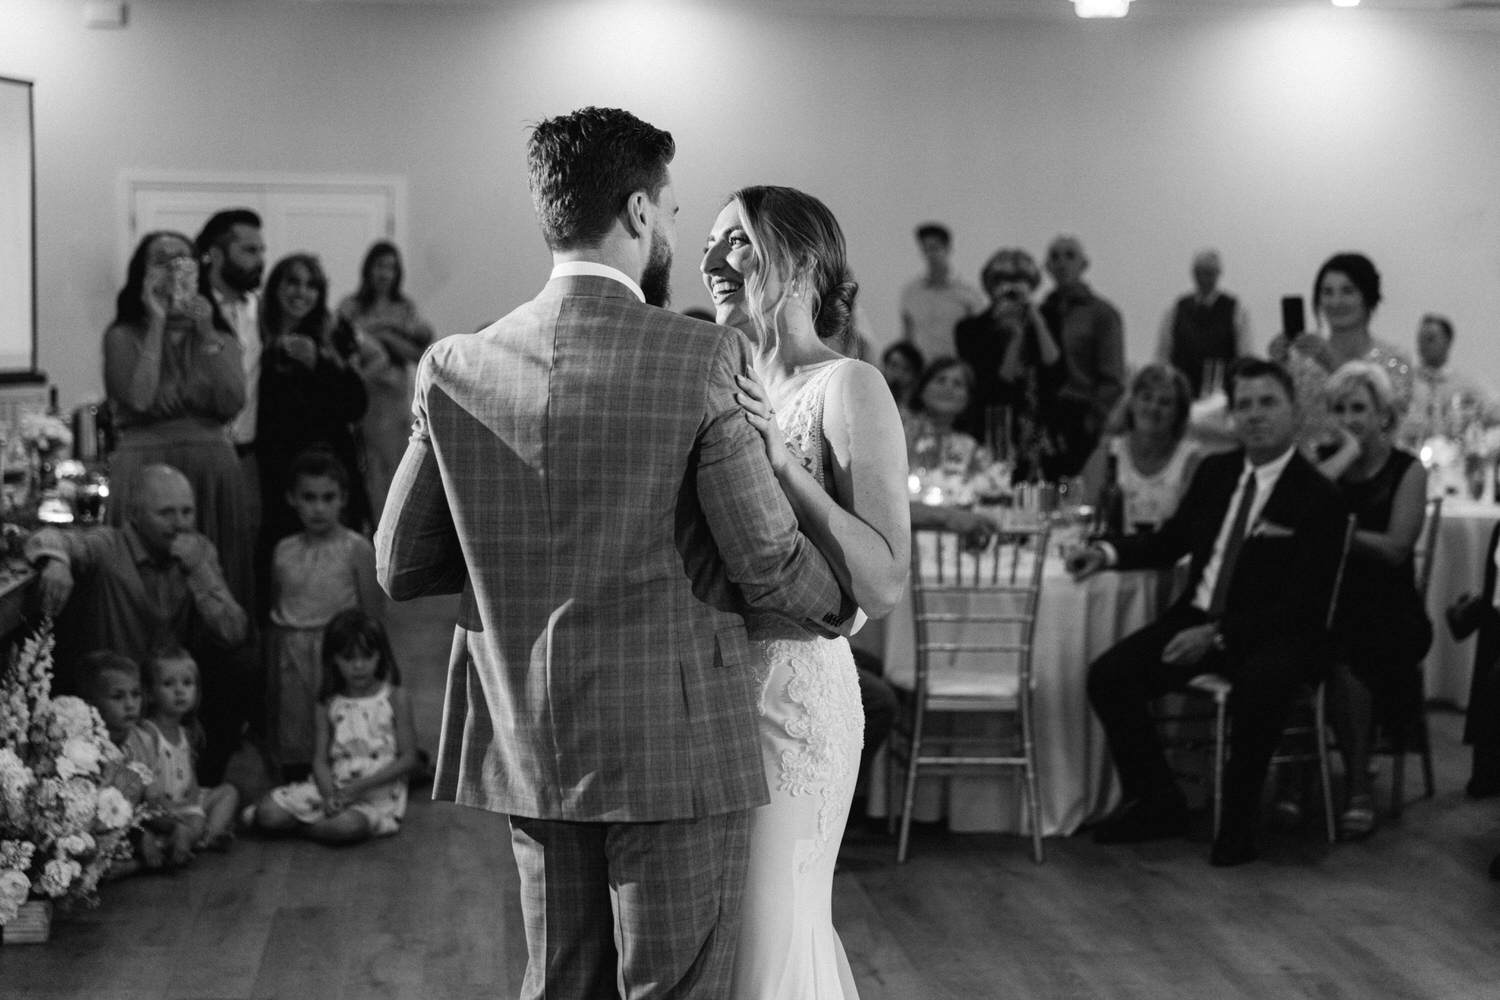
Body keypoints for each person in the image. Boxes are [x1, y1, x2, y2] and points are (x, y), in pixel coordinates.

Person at [376, 107, 854, 1000]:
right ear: (637, 212)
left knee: (561, 984)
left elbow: (399, 564)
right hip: (671, 742)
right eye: (672, 213)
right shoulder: (699, 357)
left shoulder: (454, 363)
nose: (674, 231)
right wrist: (849, 603)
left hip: (529, 734)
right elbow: (767, 565)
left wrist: (506, 554)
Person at [703, 184, 909, 999]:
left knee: (774, 931)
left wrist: (784, 465)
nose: (715, 261)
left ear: (802, 265)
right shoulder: (724, 380)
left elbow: (885, 578)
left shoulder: (848, 384)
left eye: (740, 242)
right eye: (712, 243)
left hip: (794, 704)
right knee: (730, 940)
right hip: (715, 699)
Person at [1069, 358, 1346, 866]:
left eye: (1268, 403)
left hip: (1273, 633)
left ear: (1292, 411)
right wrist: (1108, 553)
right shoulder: (1217, 473)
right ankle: (1158, 800)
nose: (1255, 415)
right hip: (1197, 616)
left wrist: (1219, 635)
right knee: (1110, 676)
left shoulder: (1319, 496)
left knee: (1263, 684)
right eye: (1244, 405)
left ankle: (1238, 824)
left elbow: (1303, 603)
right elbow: (1172, 541)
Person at [27, 464, 250, 785]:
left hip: (169, 690)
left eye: (187, 512)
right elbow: (47, 537)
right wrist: (58, 562)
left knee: (238, 667)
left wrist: (200, 572)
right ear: (135, 514)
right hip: (116, 692)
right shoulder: (109, 545)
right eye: (166, 513)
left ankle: (199, 786)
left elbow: (233, 633)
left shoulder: (197, 552)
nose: (180, 524)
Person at [103, 230, 253, 609]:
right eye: (161, 261)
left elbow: (232, 399)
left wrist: (204, 330)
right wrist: (155, 323)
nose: (173, 270)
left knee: (215, 588)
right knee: (139, 587)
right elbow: (139, 397)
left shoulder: (217, 335)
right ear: (143, 272)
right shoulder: (122, 336)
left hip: (211, 469)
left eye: (182, 260)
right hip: (143, 466)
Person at [1318, 362, 1432, 840]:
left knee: (1348, 650)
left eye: (1359, 408)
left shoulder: (1408, 470)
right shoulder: (1328, 462)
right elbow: (1298, 507)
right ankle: (1294, 775)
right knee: (1287, 631)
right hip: (1331, 598)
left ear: (1383, 414)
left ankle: (1358, 787)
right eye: (1340, 409)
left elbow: (1397, 548)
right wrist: (1342, 459)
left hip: (1391, 606)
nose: (1349, 418)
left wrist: (1340, 536)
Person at [246, 610, 415, 844]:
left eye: (367, 656)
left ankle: (302, 828)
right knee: (268, 812)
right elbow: (320, 761)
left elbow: (408, 759)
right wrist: (328, 795)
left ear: (381, 655)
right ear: (333, 659)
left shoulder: (395, 697)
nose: (358, 666)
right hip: (334, 787)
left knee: (349, 827)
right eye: (348, 658)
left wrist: (358, 788)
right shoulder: (328, 703)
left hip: (376, 793)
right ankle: (310, 822)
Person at [266, 449, 381, 777]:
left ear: (343, 499)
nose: (318, 507)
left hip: (336, 653)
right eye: (309, 497)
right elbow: (279, 606)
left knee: (339, 730)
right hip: (291, 656)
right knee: (295, 725)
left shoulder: (356, 548)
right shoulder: (284, 550)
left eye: (328, 497)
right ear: (292, 499)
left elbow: (372, 615)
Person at [257, 253, 372, 553]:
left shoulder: (331, 334)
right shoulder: (256, 330)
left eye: (311, 285)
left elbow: (355, 404)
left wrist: (319, 364)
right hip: (273, 464)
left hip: (326, 462)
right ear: (276, 286)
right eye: (293, 282)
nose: (301, 292)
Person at [337, 241, 434, 522]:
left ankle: (391, 525)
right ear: (368, 269)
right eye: (379, 266)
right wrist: (384, 331)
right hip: (362, 391)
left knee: (395, 466)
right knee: (366, 467)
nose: (384, 273)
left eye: (391, 267)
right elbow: (343, 343)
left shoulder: (404, 308)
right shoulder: (351, 306)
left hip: (393, 398)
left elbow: (419, 353)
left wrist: (389, 337)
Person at [954, 246, 1066, 480]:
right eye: (1002, 280)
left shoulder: (1048, 320)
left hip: (1041, 426)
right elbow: (998, 382)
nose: (1012, 288)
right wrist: (1016, 334)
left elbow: (1055, 367)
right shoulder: (971, 328)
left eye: (1022, 280)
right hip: (995, 426)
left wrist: (1034, 318)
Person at [78, 651, 178, 872]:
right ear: (91, 703)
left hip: (134, 824)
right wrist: (138, 835)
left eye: (136, 694)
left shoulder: (142, 739)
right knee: (86, 862)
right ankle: (132, 865)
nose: (131, 704)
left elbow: (152, 799)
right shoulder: (86, 749)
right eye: (118, 697)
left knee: (178, 828)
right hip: (99, 831)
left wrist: (175, 825)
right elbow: (93, 817)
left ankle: (140, 860)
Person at [1039, 234, 1126, 476]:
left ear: (1084, 264)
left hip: (1080, 414)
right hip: (1044, 417)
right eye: (1055, 257)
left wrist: (1092, 421)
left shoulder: (1101, 314)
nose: (1062, 263)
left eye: (1070, 255)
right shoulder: (1041, 312)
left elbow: (1113, 377)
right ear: (1047, 266)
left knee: (1074, 493)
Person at [138, 647, 240, 854]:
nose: (179, 691)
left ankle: (207, 836)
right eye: (168, 684)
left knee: (228, 792)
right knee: (190, 820)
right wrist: (182, 809)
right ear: (149, 694)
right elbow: (147, 783)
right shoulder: (149, 732)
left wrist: (193, 800)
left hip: (185, 802)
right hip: (160, 807)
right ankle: (188, 838)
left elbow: (191, 776)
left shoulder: (186, 732)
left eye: (187, 683)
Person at [1081, 363, 1201, 533]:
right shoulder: (1108, 453)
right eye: (1146, 397)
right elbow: (1084, 514)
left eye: (1165, 402)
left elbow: (1191, 526)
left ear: (1179, 413)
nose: (1153, 408)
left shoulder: (1190, 461)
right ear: (1132, 404)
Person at [1155, 249, 1250, 398]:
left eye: (1209, 273)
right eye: (1200, 272)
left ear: (1218, 274)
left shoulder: (1236, 310)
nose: (1204, 278)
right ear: (1193, 274)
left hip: (1221, 394)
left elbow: (1244, 355)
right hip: (1181, 393)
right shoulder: (1176, 309)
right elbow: (1162, 355)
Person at [1399, 313, 1500, 445]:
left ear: (1447, 342)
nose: (1423, 345)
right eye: (1420, 340)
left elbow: (1495, 410)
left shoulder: (1464, 384)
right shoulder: (1407, 382)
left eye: (1430, 339)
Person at [898, 222, 987, 362]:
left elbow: (979, 335)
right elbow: (907, 336)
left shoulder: (967, 293)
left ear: (948, 249)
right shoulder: (911, 292)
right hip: (922, 370)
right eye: (925, 249)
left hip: (954, 368)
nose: (930, 255)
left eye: (935, 248)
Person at [879, 341, 924, 416]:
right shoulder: (869, 399)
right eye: (893, 365)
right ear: (884, 366)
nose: (898, 374)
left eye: (906, 369)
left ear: (915, 376)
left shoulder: (919, 412)